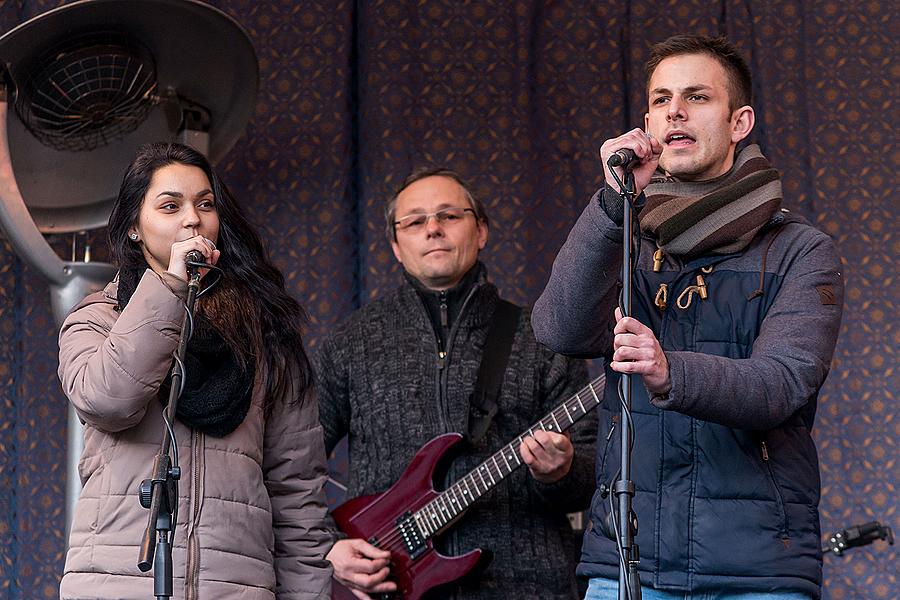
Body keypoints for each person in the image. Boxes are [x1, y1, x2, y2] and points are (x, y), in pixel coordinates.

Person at [532, 35, 843, 600]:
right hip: (628, 562)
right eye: (660, 99)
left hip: (756, 572)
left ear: (740, 121)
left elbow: (782, 384)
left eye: (697, 97)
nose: (674, 110)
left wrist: (668, 369)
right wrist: (611, 202)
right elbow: (559, 329)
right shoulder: (623, 233)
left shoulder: (799, 250)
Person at [57, 142, 332, 599]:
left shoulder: (265, 336)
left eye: (205, 204)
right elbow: (107, 400)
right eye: (170, 206)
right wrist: (170, 285)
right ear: (134, 229)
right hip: (116, 585)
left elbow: (297, 494)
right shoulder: (97, 318)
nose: (193, 219)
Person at [316, 167, 597, 599]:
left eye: (449, 216)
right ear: (395, 244)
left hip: (527, 587)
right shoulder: (348, 343)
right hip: (390, 587)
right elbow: (289, 468)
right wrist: (326, 546)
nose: (433, 229)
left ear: (481, 230)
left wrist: (562, 471)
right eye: (414, 221)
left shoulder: (544, 337)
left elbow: (598, 472)